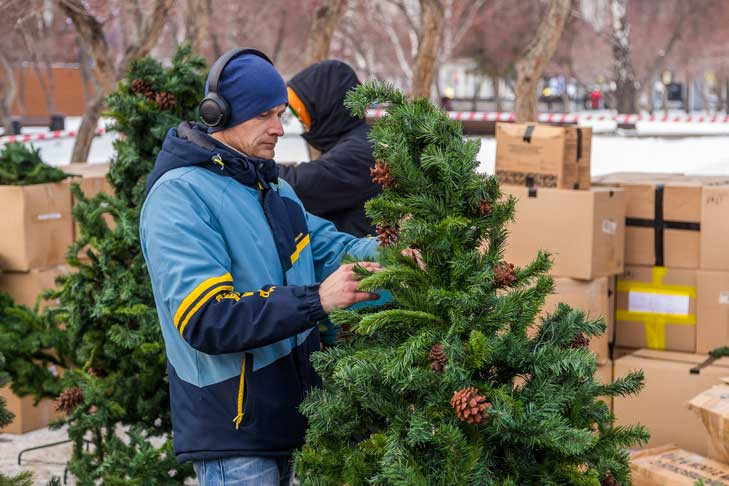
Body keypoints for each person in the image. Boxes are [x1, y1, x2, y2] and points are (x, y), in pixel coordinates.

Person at [139, 48, 383, 486]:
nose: (279, 128)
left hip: (300, 422)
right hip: (236, 435)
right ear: (219, 114)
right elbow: (207, 319)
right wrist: (317, 299)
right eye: (265, 115)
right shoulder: (179, 197)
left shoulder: (275, 192)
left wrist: (408, 254)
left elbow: (339, 251)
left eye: (281, 114)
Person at [278, 60, 380, 238]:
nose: (301, 121)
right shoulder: (352, 141)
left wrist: (248, 166)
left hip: (366, 260)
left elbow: (299, 185)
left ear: (324, 105)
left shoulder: (360, 152)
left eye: (301, 113)